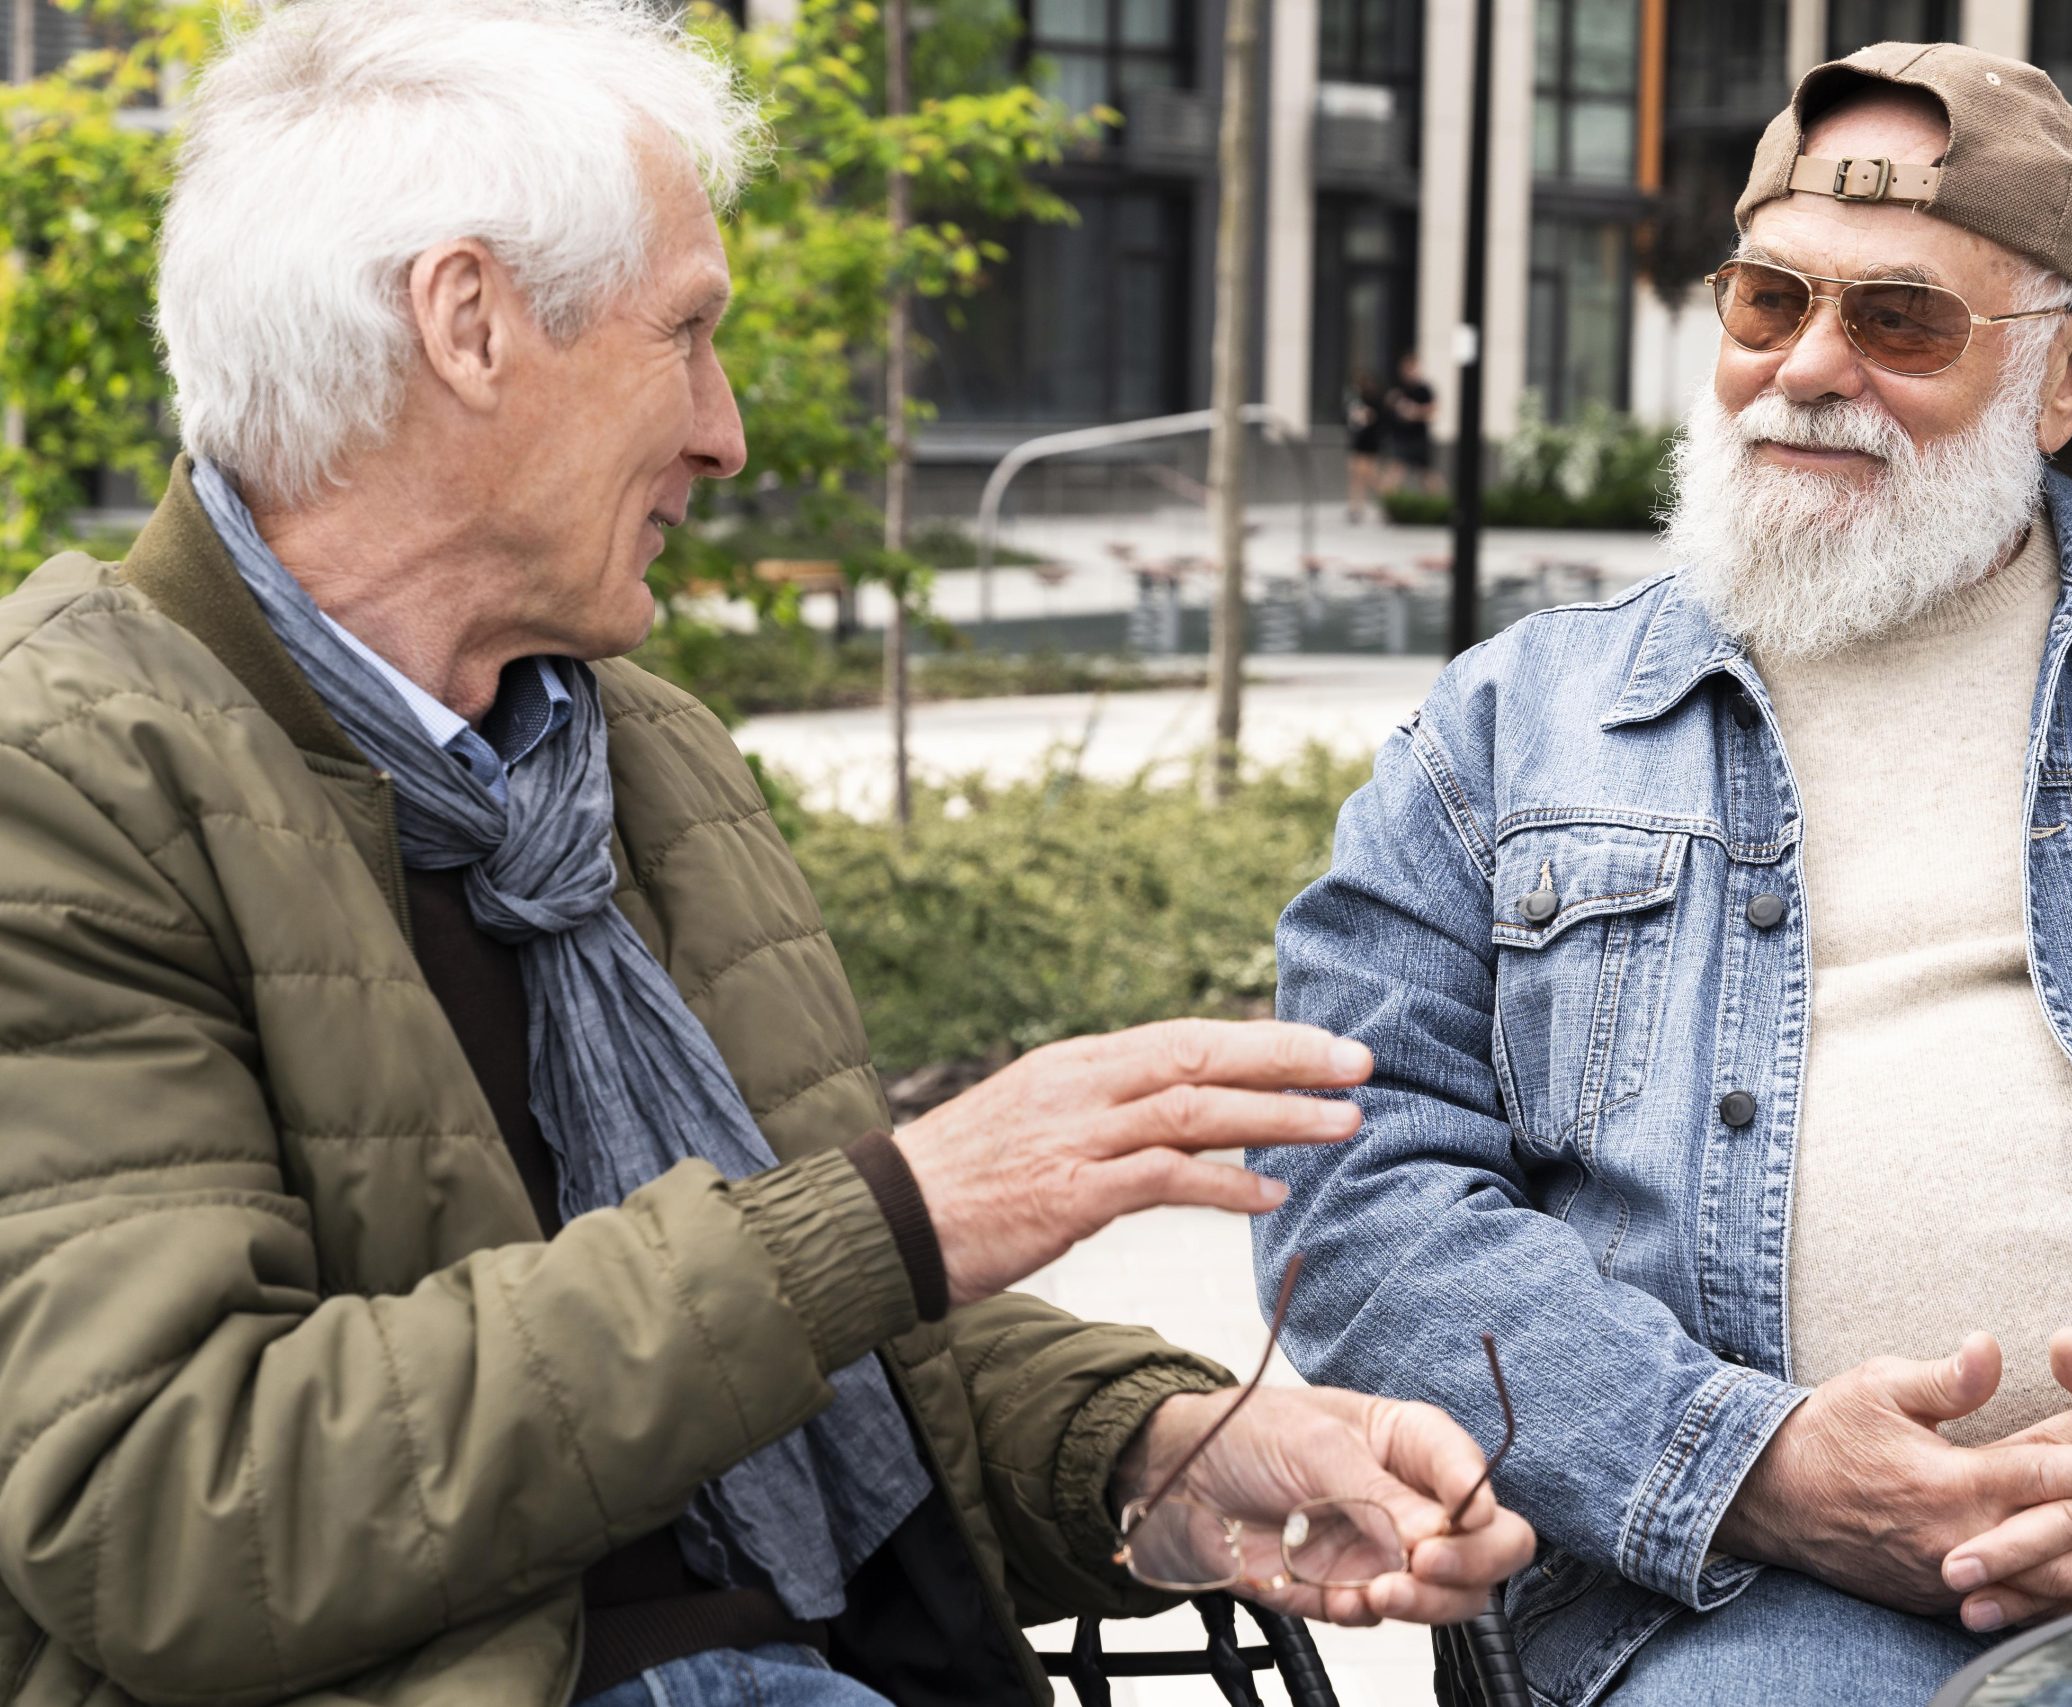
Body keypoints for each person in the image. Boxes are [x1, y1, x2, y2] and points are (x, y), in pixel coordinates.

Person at [0, 6, 1532, 1707]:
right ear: (468, 322)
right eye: (687, 334)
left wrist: (1156, 1454)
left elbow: (825, 1357)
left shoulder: (640, 758)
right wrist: (901, 1208)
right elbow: (171, 1513)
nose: (724, 432)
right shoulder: (60, 782)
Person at [1254, 40, 2072, 1707]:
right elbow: (1351, 1182)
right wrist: (1748, 1462)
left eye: (1901, 320)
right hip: (1737, 1594)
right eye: (1768, 301)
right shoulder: (1507, 727)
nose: (1809, 366)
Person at [1382, 350, 1440, 495]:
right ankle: (1389, 502)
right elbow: (1388, 404)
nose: (1408, 372)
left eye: (1411, 368)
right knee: (1395, 471)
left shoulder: (1423, 389)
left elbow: (1432, 410)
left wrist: (1415, 411)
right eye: (1405, 368)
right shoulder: (1398, 388)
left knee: (1427, 475)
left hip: (1419, 437)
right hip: (1401, 437)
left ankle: (1441, 502)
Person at [1345, 367, 1388, 521]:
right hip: (1358, 442)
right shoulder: (1357, 400)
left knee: (1370, 477)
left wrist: (1366, 416)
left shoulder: (1376, 401)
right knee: (1356, 476)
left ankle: (1388, 502)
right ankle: (1356, 507)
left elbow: (1376, 420)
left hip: (1370, 443)